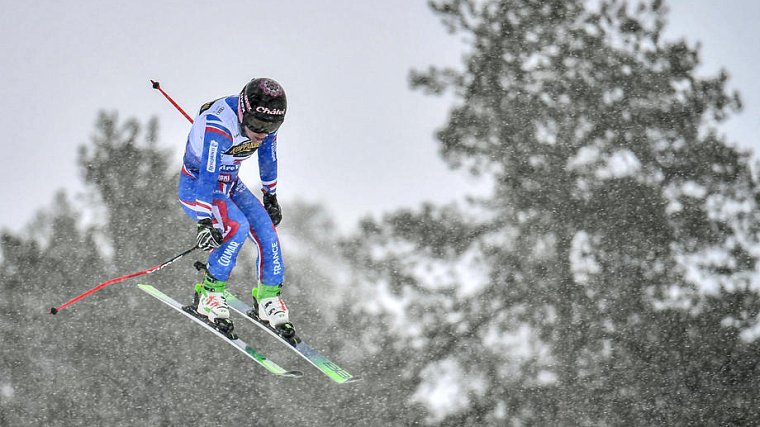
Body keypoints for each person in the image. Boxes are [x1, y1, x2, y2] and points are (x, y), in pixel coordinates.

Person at [177, 77, 292, 337]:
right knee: (236, 227)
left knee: (265, 228)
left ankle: (268, 298)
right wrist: (204, 221)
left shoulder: (265, 126)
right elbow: (207, 173)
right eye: (255, 124)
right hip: (198, 187)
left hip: (230, 184)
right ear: (242, 111)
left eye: (269, 126)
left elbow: (268, 156)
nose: (261, 132)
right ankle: (209, 293)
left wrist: (270, 195)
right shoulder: (219, 123)